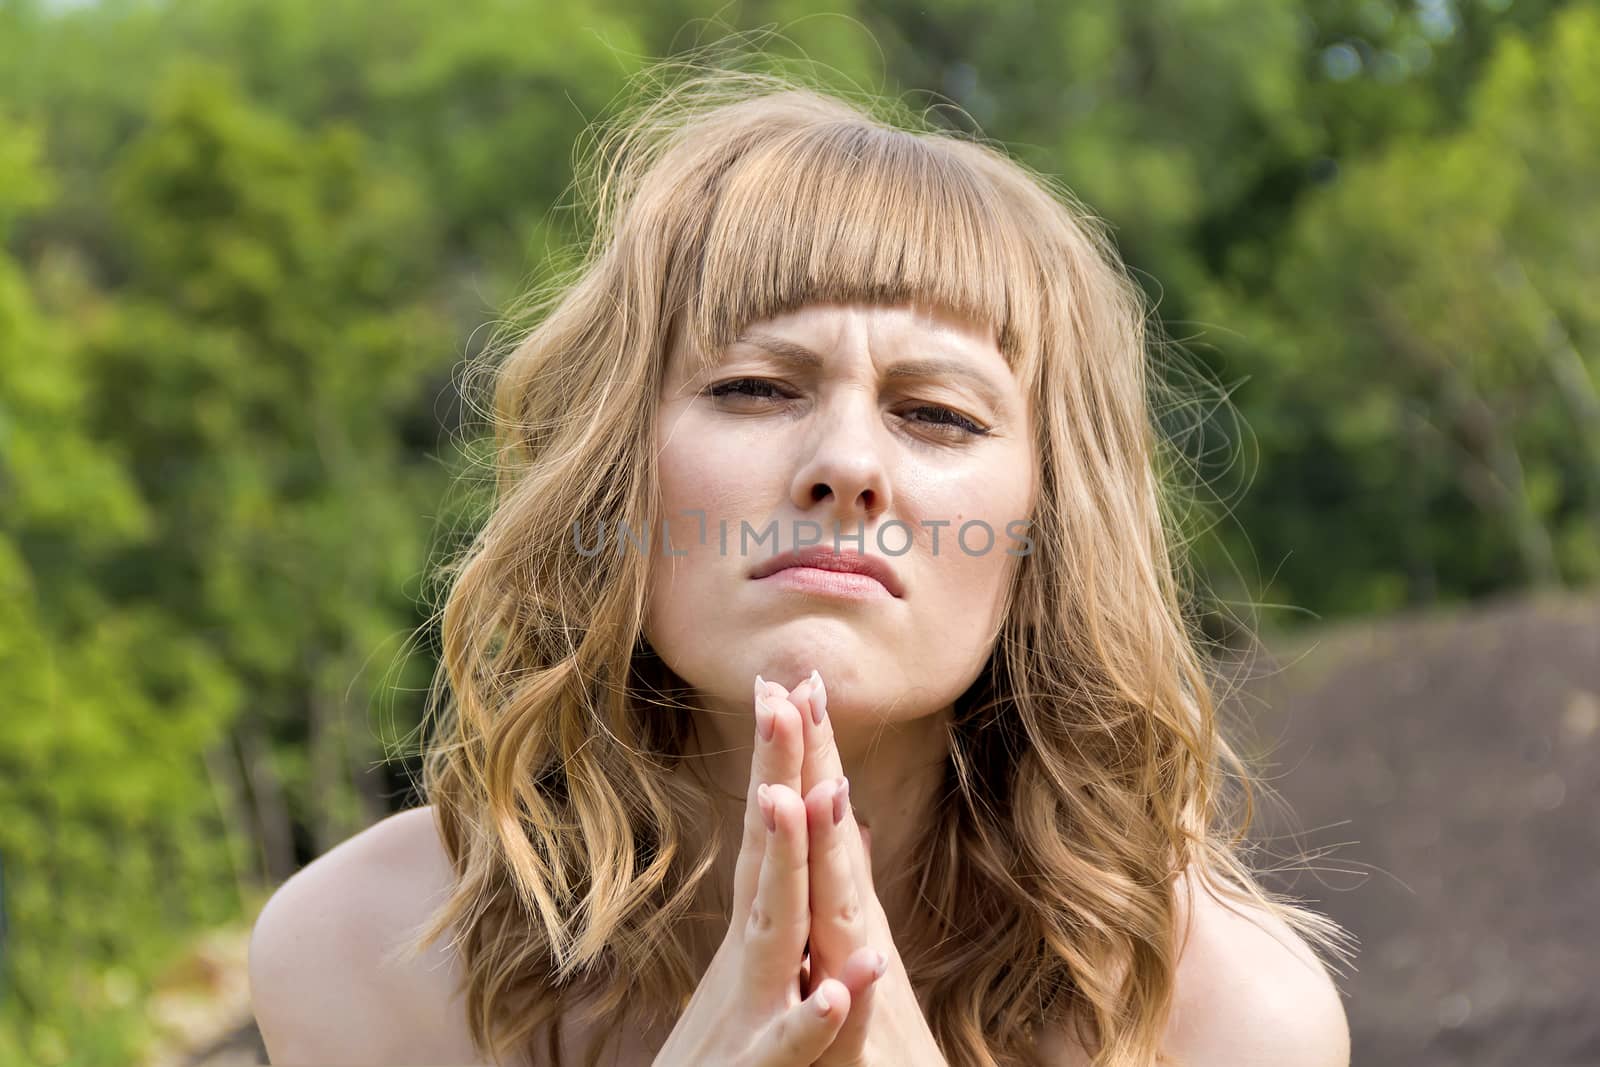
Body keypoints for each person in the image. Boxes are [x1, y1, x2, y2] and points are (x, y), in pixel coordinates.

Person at [247, 53, 1355, 1067]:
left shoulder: (1228, 1017)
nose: (844, 465)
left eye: (937, 413)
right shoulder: (370, 950)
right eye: (754, 388)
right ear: (612, 470)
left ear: (1045, 528)